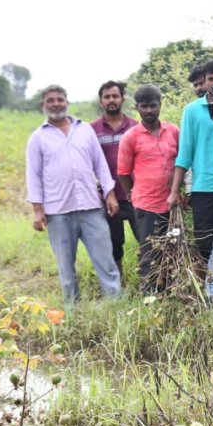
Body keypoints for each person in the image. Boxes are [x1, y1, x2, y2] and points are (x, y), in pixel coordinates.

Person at [25, 85, 121, 303]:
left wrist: (110, 194)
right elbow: (33, 175)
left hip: (91, 208)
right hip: (58, 212)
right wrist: (37, 211)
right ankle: (72, 311)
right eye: (50, 100)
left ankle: (116, 305)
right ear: (43, 105)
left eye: (60, 99)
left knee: (106, 262)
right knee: (66, 268)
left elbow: (100, 164)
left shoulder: (84, 129)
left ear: (67, 102)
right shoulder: (38, 138)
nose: (56, 104)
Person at [167, 59, 213, 303]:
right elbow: (185, 152)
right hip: (204, 187)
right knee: (202, 243)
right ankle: (199, 297)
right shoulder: (193, 111)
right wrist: (174, 190)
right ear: (205, 82)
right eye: (212, 78)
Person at [116, 85, 179, 293]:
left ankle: (171, 293)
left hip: (173, 204)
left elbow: (183, 162)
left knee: (173, 250)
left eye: (153, 105)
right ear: (137, 108)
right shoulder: (131, 137)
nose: (149, 111)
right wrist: (131, 193)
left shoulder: (173, 132)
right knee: (150, 253)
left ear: (160, 105)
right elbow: (123, 172)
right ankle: (149, 297)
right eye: (144, 107)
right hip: (146, 205)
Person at [90, 80, 139, 278]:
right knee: (113, 245)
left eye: (115, 96)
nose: (111, 100)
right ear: (101, 101)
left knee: (148, 241)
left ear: (122, 99)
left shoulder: (135, 126)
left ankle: (151, 282)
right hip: (109, 198)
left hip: (136, 196)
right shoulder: (92, 130)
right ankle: (118, 286)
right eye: (107, 97)